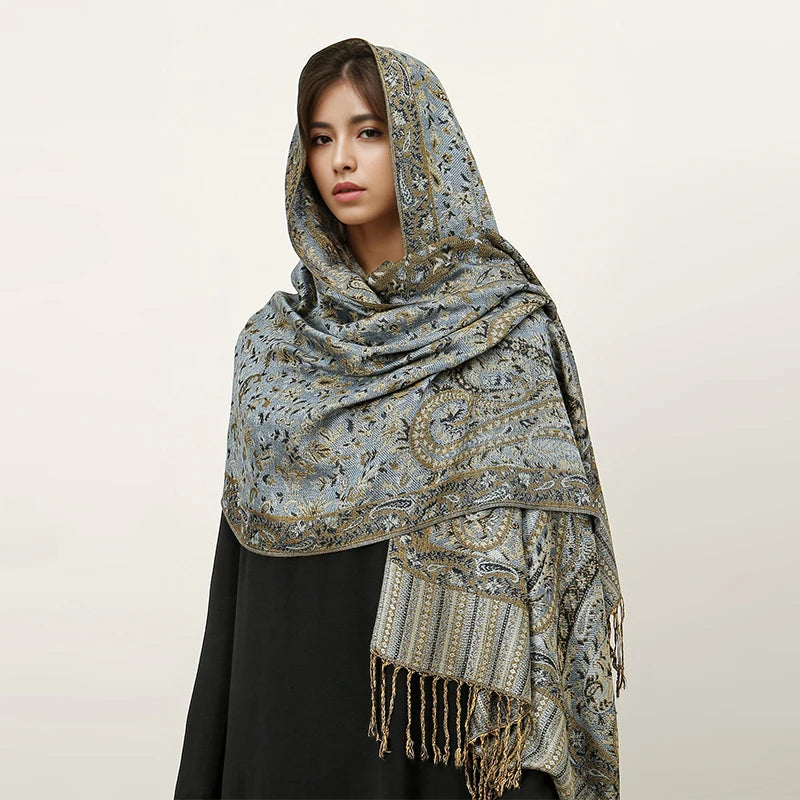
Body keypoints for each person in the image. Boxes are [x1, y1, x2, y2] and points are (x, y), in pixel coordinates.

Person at [174, 38, 625, 800]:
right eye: (322, 139)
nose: (342, 160)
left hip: (443, 750)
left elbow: (543, 591)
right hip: (291, 726)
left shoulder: (504, 334)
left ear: (420, 142)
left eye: (369, 132)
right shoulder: (273, 351)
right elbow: (235, 605)